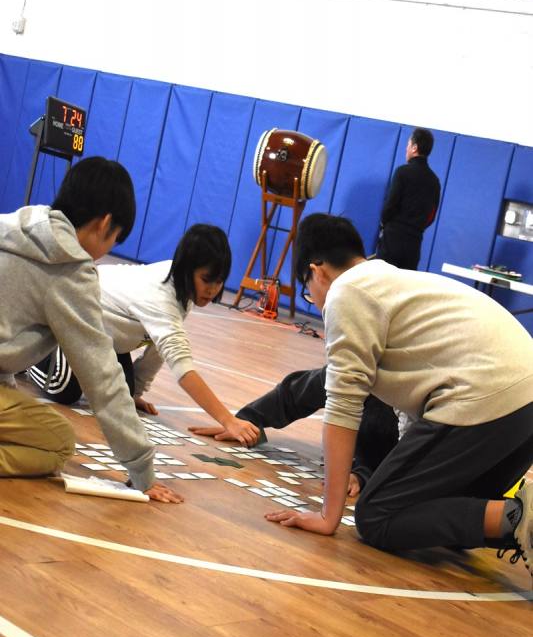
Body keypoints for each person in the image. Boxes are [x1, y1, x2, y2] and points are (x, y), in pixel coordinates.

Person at [265, 212, 533, 583]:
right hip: (522, 403)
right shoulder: (392, 281)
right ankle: (516, 521)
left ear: (317, 271)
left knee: (376, 517)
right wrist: (402, 475)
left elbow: (342, 408)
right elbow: (411, 406)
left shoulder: (346, 292)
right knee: (431, 511)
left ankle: (519, 519)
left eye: (308, 291)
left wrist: (328, 515)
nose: (315, 300)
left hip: (485, 396)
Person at [0, 157, 181, 503]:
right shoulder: (69, 270)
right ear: (105, 223)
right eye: (114, 239)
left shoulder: (15, 225)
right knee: (58, 441)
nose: (106, 251)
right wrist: (142, 470)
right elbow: (101, 375)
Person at [28, 224, 260, 447]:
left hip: (103, 338)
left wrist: (135, 393)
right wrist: (228, 421)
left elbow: (156, 351)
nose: (212, 289)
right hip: (68, 312)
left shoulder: (182, 289)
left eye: (219, 281)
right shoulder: (160, 298)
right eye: (206, 280)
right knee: (64, 388)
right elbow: (182, 368)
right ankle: (28, 352)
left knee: (125, 397)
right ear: (186, 270)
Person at [190, 366, 399, 497]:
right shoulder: (354, 364)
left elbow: (390, 432)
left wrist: (364, 472)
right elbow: (299, 392)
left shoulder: (395, 381)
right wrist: (245, 423)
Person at [376, 127, 440, 270]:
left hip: (392, 240)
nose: (406, 148)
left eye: (408, 144)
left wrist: (385, 223)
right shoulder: (434, 181)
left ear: (414, 148)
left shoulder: (402, 172)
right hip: (414, 245)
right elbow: (431, 216)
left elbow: (390, 206)